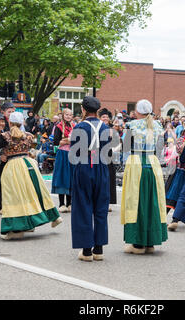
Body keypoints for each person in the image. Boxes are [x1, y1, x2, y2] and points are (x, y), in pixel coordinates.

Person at [0, 112, 62, 240]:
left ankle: (16, 227)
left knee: (15, 196)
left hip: (14, 166)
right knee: (37, 192)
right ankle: (54, 217)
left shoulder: (5, 136)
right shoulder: (28, 135)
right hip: (29, 164)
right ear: (22, 122)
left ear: (9, 122)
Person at [121, 99, 168, 254]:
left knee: (136, 202)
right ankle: (151, 242)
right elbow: (160, 149)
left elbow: (126, 148)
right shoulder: (158, 126)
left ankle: (138, 243)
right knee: (152, 202)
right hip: (152, 165)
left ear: (137, 112)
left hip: (136, 164)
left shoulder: (131, 126)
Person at [69, 97, 111, 261]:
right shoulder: (106, 127)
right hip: (101, 165)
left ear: (83, 109)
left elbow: (74, 153)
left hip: (85, 166)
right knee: (100, 206)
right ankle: (99, 249)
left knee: (83, 206)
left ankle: (86, 250)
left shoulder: (79, 126)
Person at [51, 108, 75, 213]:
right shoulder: (59, 127)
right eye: (66, 115)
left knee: (71, 177)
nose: (68, 116)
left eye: (70, 115)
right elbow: (56, 142)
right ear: (63, 115)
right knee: (62, 177)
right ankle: (61, 203)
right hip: (63, 154)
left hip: (73, 154)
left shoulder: (75, 126)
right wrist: (67, 141)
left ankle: (69, 203)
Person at [98, 108, 117, 210]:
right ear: (100, 118)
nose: (105, 118)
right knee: (100, 179)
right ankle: (99, 201)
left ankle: (108, 202)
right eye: (103, 117)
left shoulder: (111, 129)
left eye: (106, 117)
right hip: (98, 155)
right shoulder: (97, 128)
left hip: (108, 156)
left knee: (109, 178)